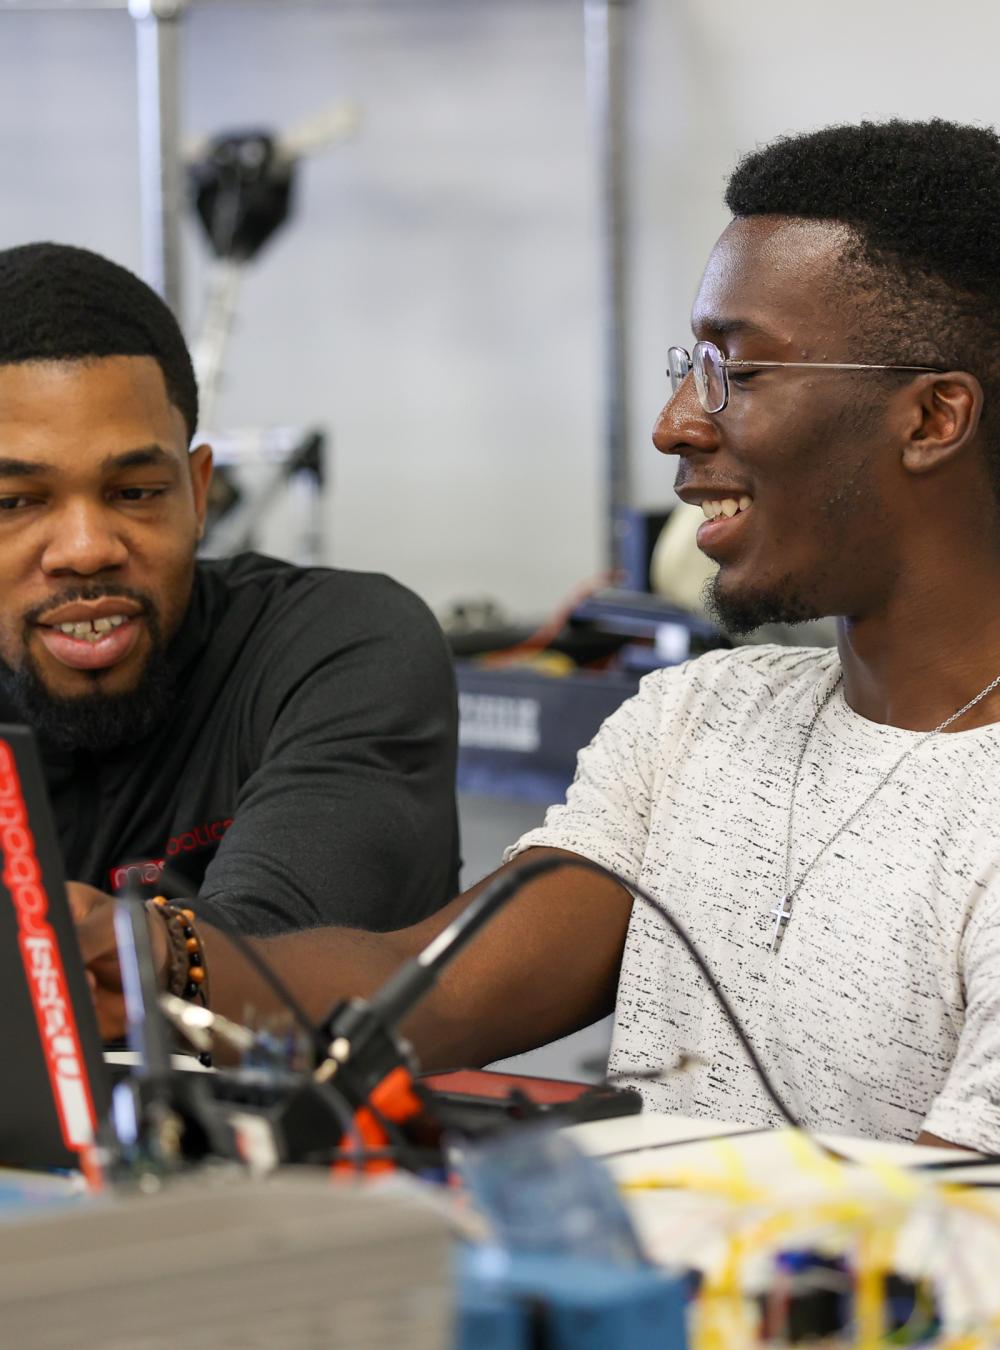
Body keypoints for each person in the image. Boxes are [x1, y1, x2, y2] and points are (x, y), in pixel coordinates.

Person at [80, 118, 1000, 1153]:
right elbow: (419, 993)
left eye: (734, 371)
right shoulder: (698, 719)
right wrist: (149, 954)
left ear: (931, 419)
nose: (675, 422)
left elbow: (952, 1239)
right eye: (686, 364)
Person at [0, 241, 460, 937]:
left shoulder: (341, 647)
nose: (87, 549)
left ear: (199, 492)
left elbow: (282, 948)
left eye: (135, 492)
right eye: (15, 502)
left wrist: (139, 954)